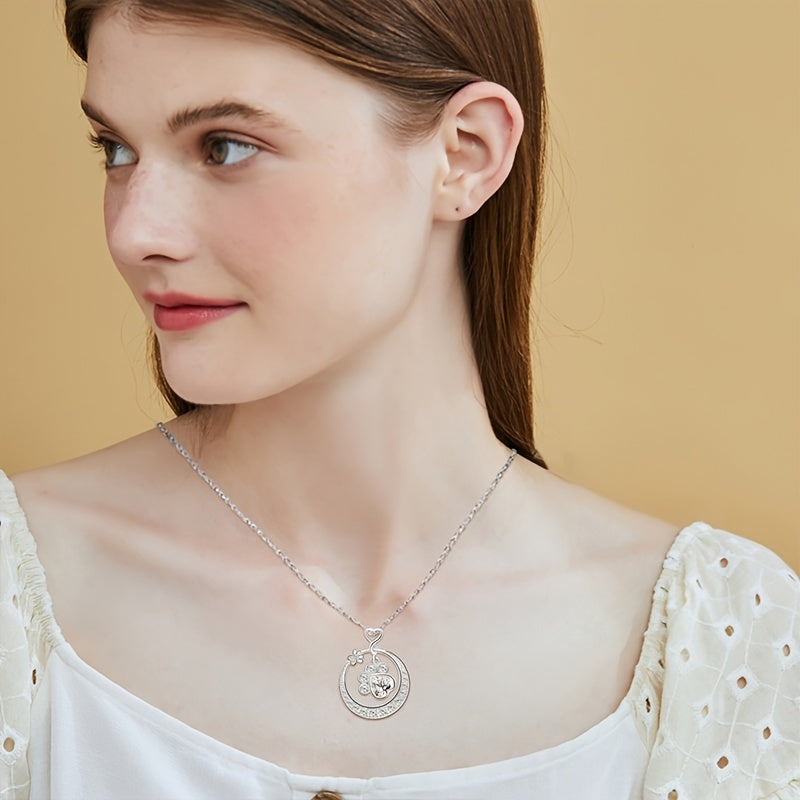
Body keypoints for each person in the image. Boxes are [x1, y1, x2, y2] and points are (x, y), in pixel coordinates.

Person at [0, 1, 797, 798]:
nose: (136, 232)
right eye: (116, 150)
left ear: (465, 154)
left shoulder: (724, 642)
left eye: (225, 147)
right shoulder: (16, 591)